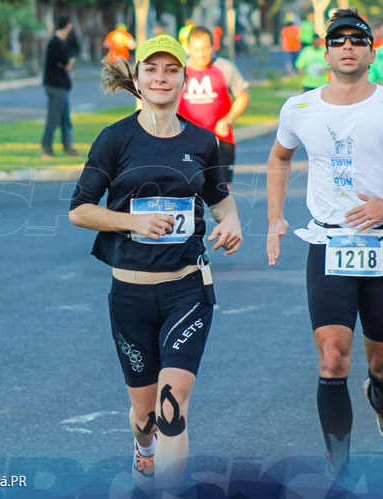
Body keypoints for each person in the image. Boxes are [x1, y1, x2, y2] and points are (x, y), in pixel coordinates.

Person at [265, 8, 383, 474]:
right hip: (328, 244)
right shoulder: (300, 107)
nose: (347, 46)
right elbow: (279, 157)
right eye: (338, 40)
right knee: (332, 357)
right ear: (326, 52)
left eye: (357, 40)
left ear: (372, 52)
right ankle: (341, 468)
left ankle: (382, 395)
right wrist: (274, 218)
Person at [69, 35, 242, 494]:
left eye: (171, 70)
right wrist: (133, 221)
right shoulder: (115, 139)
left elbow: (220, 199)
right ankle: (142, 448)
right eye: (152, 70)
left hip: (187, 289)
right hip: (129, 294)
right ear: (138, 79)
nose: (161, 78)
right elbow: (79, 209)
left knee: (171, 408)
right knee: (145, 415)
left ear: (186, 79)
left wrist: (233, 223)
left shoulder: (203, 142)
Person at [178, 26, 250, 184]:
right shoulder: (178, 71)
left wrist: (229, 119)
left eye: (206, 48)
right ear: (188, 49)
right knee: (187, 193)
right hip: (186, 142)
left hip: (220, 140)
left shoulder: (225, 68)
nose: (202, 54)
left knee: (222, 192)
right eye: (196, 50)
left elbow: (242, 96)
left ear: (212, 46)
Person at [42, 16, 77, 158]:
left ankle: (68, 146)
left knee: (65, 119)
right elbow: (65, 62)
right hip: (55, 86)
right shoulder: (54, 43)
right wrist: (68, 62)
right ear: (68, 26)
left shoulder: (63, 42)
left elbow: (70, 58)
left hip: (62, 86)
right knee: (54, 118)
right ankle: (46, 148)